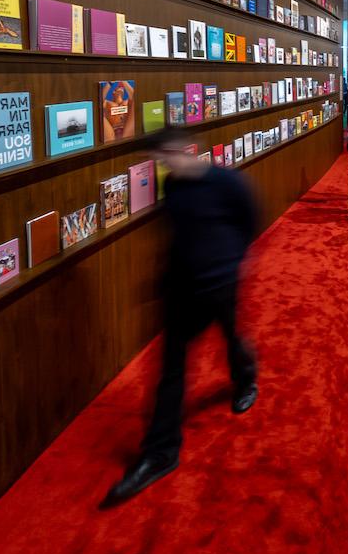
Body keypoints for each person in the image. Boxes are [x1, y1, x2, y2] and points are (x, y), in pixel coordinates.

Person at [102, 128, 260, 508]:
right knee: (171, 369)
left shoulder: (227, 182)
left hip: (220, 283)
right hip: (181, 289)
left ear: (185, 150)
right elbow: (174, 235)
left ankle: (246, 380)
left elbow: (250, 221)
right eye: (159, 159)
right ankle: (161, 452)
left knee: (230, 336)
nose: (163, 164)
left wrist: (231, 262)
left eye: (166, 156)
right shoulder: (173, 187)